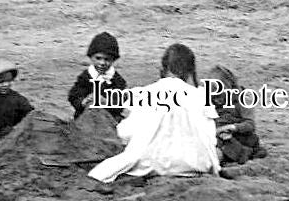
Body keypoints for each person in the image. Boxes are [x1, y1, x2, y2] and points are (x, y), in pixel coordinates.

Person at [87, 43, 220, 190]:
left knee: (111, 167)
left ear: (163, 68)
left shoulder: (145, 93)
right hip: (196, 164)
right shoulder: (201, 96)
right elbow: (209, 137)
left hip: (150, 163)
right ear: (190, 71)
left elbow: (125, 134)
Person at [204, 65, 267, 166]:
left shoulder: (242, 98)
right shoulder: (208, 97)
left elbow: (250, 124)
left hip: (236, 135)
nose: (217, 99)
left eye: (220, 94)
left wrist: (232, 127)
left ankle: (243, 153)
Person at [68, 32, 128, 121]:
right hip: (86, 117)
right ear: (91, 57)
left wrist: (106, 102)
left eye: (107, 59)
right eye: (98, 58)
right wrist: (84, 101)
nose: (102, 63)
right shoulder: (85, 77)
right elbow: (74, 96)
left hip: (109, 119)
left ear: (113, 60)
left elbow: (121, 104)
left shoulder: (117, 80)